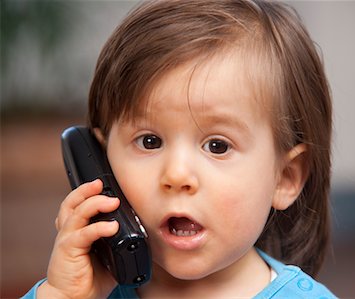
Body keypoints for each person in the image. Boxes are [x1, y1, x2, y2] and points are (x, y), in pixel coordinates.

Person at [23, 0, 335, 298]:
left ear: (285, 178)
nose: (176, 174)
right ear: (102, 163)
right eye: (150, 141)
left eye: (217, 146)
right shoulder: (81, 291)